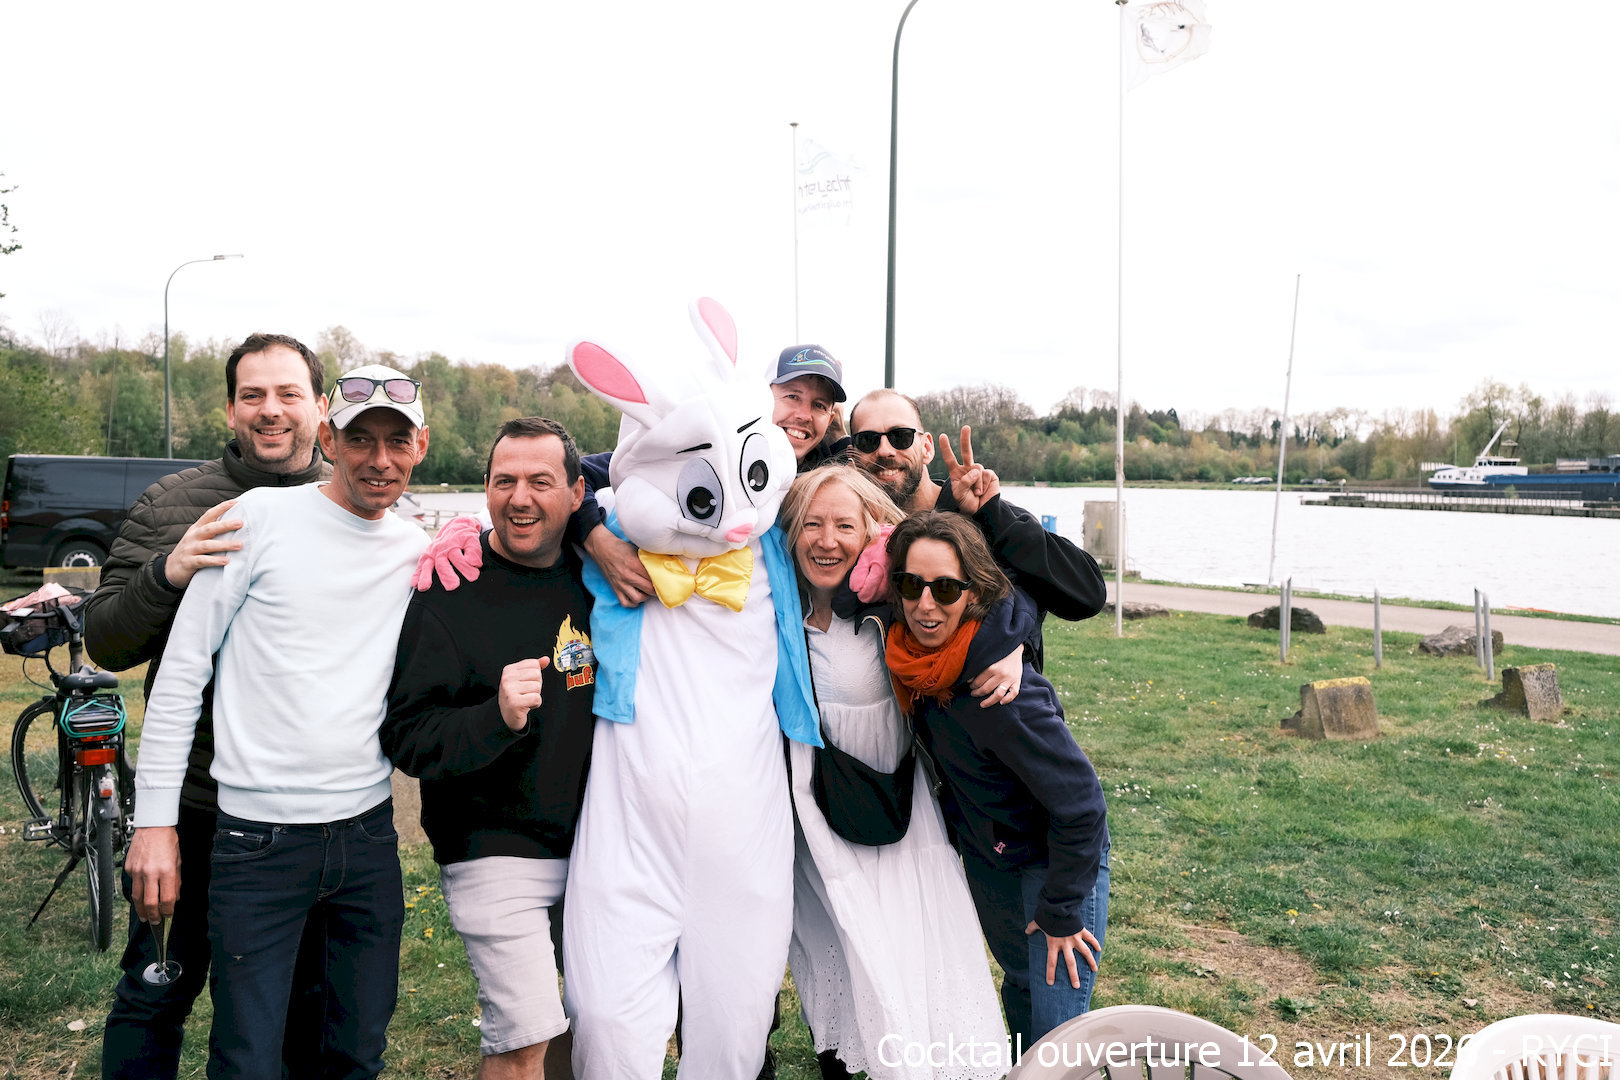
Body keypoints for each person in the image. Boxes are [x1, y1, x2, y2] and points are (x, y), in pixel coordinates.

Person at [126, 364, 431, 1080]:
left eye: (397, 441)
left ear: (421, 447)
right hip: (257, 843)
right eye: (360, 440)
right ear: (329, 439)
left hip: (366, 839)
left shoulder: (418, 550)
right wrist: (155, 824)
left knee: (353, 1052)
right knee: (248, 1059)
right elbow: (180, 676)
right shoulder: (255, 518)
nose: (379, 459)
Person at [84, 331, 332, 1080]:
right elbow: (106, 639)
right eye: (252, 395)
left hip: (303, 816)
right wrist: (168, 570)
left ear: (320, 407)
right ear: (230, 409)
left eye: (288, 394)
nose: (270, 410)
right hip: (194, 802)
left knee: (292, 1011)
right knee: (156, 992)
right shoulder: (172, 504)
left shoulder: (355, 500)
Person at [383, 417, 595, 1080]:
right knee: (524, 1039)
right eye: (505, 481)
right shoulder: (449, 588)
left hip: (599, 846)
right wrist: (496, 718)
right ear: (486, 489)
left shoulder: (599, 576)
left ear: (577, 493)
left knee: (588, 1029)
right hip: (493, 848)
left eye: (540, 481)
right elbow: (408, 736)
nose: (520, 498)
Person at [779, 467, 1008, 1080]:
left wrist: (1010, 648)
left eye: (843, 525)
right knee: (842, 949)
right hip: (817, 814)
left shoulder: (896, 603)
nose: (827, 540)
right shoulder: (775, 611)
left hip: (898, 806)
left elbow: (990, 603)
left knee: (910, 952)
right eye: (811, 524)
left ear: (871, 532)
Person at [882, 511, 1111, 1052]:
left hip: (1054, 860)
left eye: (945, 588)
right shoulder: (916, 664)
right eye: (911, 585)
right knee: (1021, 986)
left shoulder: (1000, 694)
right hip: (992, 858)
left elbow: (1082, 806)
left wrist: (1061, 911)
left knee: (1057, 1032)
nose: (925, 604)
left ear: (975, 592)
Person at [844, 389, 1107, 672]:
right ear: (853, 456)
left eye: (900, 436)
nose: (884, 450)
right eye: (868, 440)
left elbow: (1087, 593)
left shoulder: (980, 514)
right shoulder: (849, 532)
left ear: (927, 447)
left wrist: (993, 516)